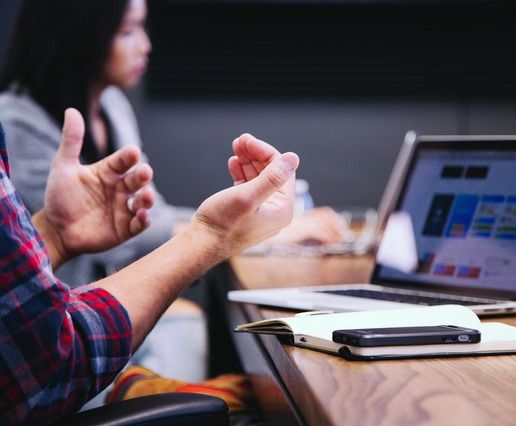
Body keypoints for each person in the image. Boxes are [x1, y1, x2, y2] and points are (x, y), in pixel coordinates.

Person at [0, 0, 344, 385]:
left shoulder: (111, 106)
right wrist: (230, 233)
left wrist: (228, 230)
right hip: (59, 333)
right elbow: (132, 237)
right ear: (79, 35)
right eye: (128, 31)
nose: (145, 45)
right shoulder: (15, 124)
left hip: (95, 310)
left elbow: (144, 216)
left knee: (192, 327)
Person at [0, 107, 299, 424]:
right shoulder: (18, 117)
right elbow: (49, 362)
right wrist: (213, 235)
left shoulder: (113, 106)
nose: (145, 52)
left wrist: (53, 235)